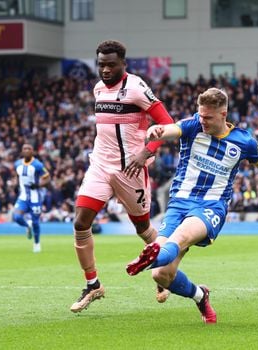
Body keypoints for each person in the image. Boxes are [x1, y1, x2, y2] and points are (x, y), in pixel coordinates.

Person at [125, 88, 258, 323]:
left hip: (211, 206)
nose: (202, 120)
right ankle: (199, 295)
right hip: (179, 203)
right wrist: (158, 131)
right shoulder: (192, 125)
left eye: (208, 117)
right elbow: (172, 129)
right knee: (161, 275)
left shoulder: (243, 141)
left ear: (223, 114)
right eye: (200, 115)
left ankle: (153, 255)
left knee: (183, 236)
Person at [70, 40, 174, 313]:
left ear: (123, 64)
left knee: (142, 228)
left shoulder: (137, 89)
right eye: (101, 64)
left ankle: (162, 271)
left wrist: (147, 150)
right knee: (81, 222)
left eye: (110, 64)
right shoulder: (98, 89)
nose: (105, 69)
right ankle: (93, 285)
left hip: (130, 170)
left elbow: (168, 124)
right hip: (100, 166)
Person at [13, 143, 50, 253]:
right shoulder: (17, 164)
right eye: (25, 148)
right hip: (23, 196)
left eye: (29, 148)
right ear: (22, 151)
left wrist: (39, 185)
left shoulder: (37, 165)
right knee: (17, 217)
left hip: (35, 198)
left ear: (32, 151)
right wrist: (15, 185)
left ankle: (37, 243)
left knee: (35, 222)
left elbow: (47, 177)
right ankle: (27, 225)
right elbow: (17, 176)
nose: (27, 150)